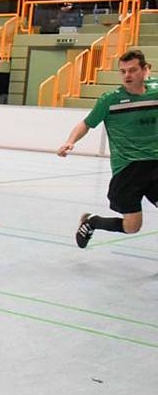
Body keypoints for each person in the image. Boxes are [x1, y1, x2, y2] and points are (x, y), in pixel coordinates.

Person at [58, 50, 158, 248]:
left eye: (133, 70)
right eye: (123, 71)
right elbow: (86, 124)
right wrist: (70, 141)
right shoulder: (110, 100)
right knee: (132, 227)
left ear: (146, 70)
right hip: (127, 170)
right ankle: (92, 222)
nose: (127, 76)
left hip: (155, 165)